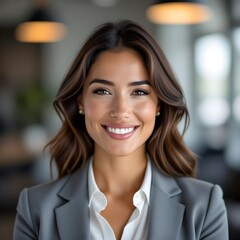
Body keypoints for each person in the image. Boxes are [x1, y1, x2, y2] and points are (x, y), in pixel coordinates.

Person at [13, 20, 228, 240]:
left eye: (139, 92)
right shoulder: (35, 207)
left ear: (159, 105)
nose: (121, 110)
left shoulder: (205, 205)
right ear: (80, 102)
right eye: (103, 91)